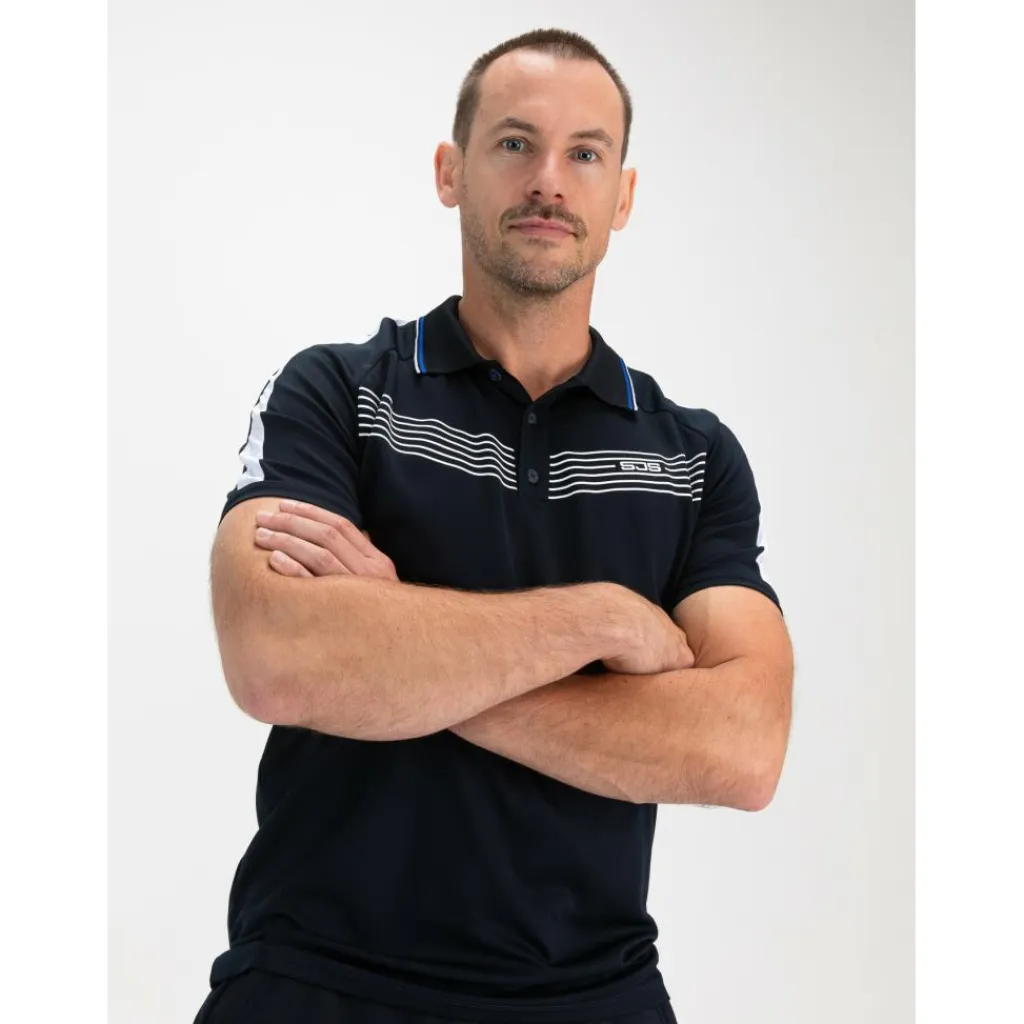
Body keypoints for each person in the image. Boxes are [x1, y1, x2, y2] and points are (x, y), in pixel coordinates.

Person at [193, 26, 794, 1024]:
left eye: (584, 153)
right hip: (317, 980)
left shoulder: (693, 455)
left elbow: (743, 746)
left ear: (622, 197)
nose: (548, 180)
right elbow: (276, 657)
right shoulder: (338, 394)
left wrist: (397, 659)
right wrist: (602, 620)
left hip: (594, 993)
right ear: (451, 171)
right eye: (515, 143)